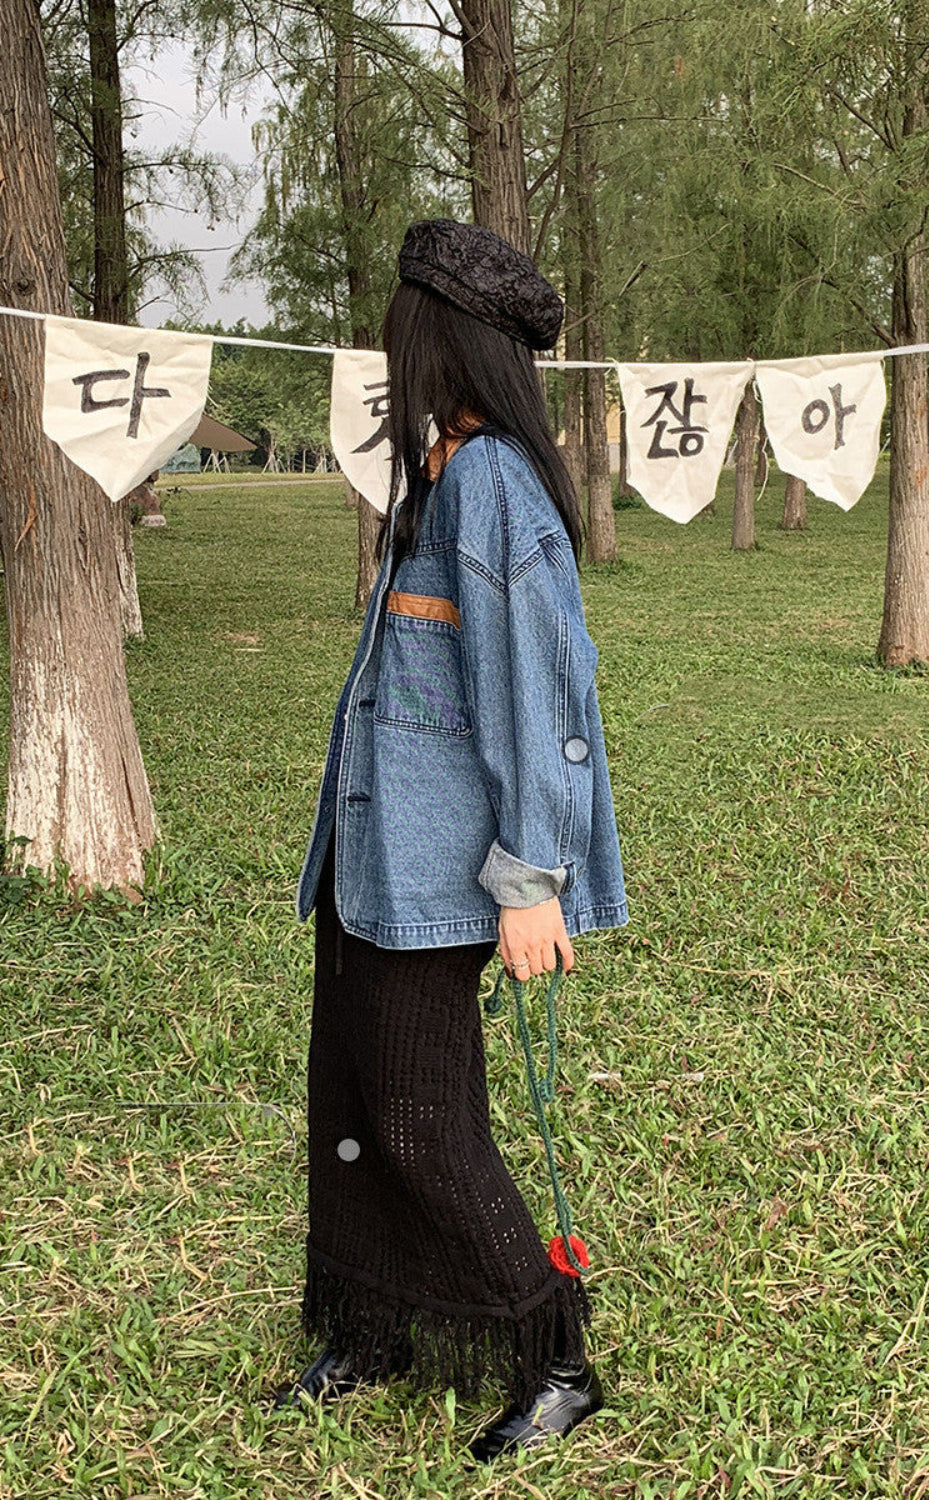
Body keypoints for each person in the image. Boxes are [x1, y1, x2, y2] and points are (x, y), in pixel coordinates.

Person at [271, 219, 629, 1462]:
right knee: (355, 1104)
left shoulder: (493, 487)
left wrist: (533, 882)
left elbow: (543, 701)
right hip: (367, 868)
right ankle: (375, 1327)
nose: (388, 349)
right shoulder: (442, 473)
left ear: (440, 339)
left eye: (401, 331)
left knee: (423, 1122)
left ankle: (557, 1357)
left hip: (441, 883)